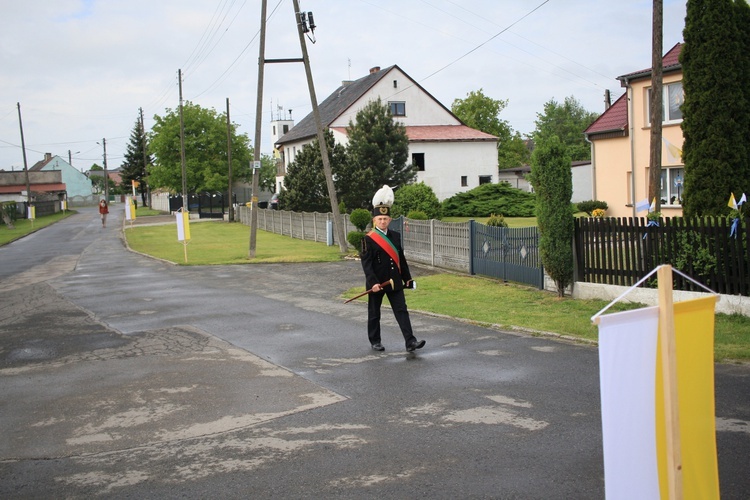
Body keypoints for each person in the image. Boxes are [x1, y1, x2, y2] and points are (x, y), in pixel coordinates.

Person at [360, 185, 426, 353]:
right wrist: (373, 283)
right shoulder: (368, 239)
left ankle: (410, 342)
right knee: (374, 313)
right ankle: (375, 341)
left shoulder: (395, 236)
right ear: (374, 221)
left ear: (390, 220)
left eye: (385, 219)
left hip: (394, 281)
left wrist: (408, 279)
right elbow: (366, 265)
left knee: (401, 310)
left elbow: (400, 260)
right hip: (377, 283)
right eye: (379, 219)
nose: (383, 221)